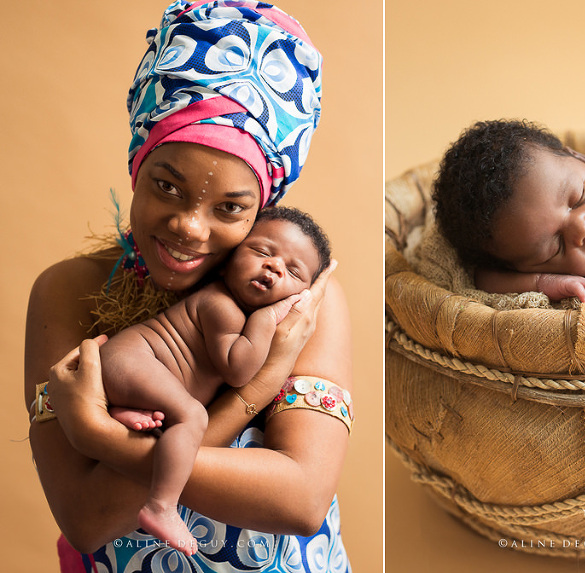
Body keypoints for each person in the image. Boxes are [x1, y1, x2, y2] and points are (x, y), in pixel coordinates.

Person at [25, 2, 353, 571]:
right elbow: (87, 518)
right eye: (167, 187)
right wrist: (259, 384)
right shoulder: (68, 291)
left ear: (263, 208)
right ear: (138, 164)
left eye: (230, 207)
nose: (189, 226)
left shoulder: (296, 300)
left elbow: (300, 500)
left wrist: (107, 443)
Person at [99, 206, 333, 556]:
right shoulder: (220, 305)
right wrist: (269, 317)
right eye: (262, 252)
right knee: (192, 417)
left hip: (135, 374)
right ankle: (160, 506)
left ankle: (127, 414)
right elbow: (238, 370)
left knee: (172, 417)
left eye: (292, 271)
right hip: (131, 360)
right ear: (226, 261)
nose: (274, 266)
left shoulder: (237, 313)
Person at [432, 119, 585, 305]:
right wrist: (544, 282)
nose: (583, 227)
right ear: (519, 268)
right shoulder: (519, 257)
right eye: (556, 246)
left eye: (579, 198)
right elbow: (481, 278)